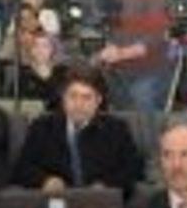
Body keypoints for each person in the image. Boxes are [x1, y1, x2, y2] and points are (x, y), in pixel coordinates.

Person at [12, 65, 144, 196]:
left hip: (101, 202)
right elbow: (22, 168)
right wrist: (45, 180)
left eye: (86, 97)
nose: (79, 104)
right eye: (73, 96)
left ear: (98, 100)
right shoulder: (42, 127)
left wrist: (106, 185)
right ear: (63, 98)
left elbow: (133, 169)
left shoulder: (116, 129)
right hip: (56, 201)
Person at [96, 0, 174, 111]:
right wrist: (108, 48)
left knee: (140, 105)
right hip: (117, 70)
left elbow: (154, 39)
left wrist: (120, 53)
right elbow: (110, 30)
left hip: (150, 72)